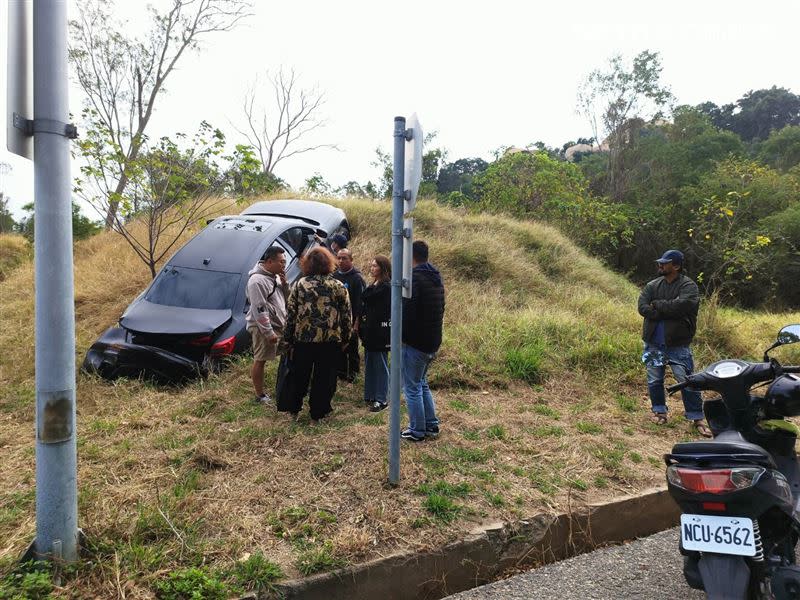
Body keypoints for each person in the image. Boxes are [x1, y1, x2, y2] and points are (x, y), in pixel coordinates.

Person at [638, 249, 712, 438]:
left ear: (676, 266)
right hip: (654, 343)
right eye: (660, 262)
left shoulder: (689, 286)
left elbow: (683, 306)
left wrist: (659, 305)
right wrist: (661, 310)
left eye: (665, 263)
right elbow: (643, 307)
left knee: (687, 381)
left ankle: (697, 418)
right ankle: (659, 412)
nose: (660, 265)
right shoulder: (652, 285)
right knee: (655, 379)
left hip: (678, 345)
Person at [280, 247, 352, 422]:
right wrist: (346, 339)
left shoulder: (300, 285)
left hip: (303, 340)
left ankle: (294, 409)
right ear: (329, 263)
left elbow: (291, 314)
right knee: (325, 378)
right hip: (330, 341)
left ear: (308, 264)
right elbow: (346, 315)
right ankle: (318, 413)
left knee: (299, 375)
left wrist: (287, 340)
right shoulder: (338, 286)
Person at [401, 240, 445, 442]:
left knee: (412, 387)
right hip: (433, 341)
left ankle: (417, 430)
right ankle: (431, 425)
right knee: (422, 384)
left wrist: (401, 337)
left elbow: (408, 313)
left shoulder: (415, 279)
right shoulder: (435, 277)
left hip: (416, 344)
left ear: (411, 255)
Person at [245, 245, 289, 404]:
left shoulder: (275, 276)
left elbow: (284, 299)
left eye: (285, 262)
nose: (284, 265)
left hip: (279, 324)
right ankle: (260, 395)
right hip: (263, 327)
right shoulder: (256, 281)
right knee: (260, 359)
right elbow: (259, 308)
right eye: (281, 262)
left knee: (289, 351)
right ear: (269, 261)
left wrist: (285, 285)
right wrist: (268, 332)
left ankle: (286, 385)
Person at [359, 255, 391, 412]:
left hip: (381, 331)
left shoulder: (386, 286)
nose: (372, 268)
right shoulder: (375, 284)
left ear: (383, 268)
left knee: (381, 363)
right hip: (370, 330)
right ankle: (371, 394)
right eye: (371, 266)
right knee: (370, 362)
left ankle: (382, 398)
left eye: (375, 266)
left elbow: (367, 296)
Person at [333, 248, 366, 382]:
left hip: (352, 320)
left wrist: (356, 323)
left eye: (344, 258)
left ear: (351, 260)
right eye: (339, 258)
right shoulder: (334, 276)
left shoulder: (357, 278)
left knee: (352, 348)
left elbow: (360, 304)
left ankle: (353, 373)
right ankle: (340, 373)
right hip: (336, 320)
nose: (341, 261)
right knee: (339, 347)